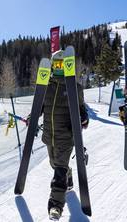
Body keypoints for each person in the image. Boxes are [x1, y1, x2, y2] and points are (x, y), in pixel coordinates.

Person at [40, 50, 89, 219]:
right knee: (55, 165)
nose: (59, 68)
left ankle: (56, 206)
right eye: (57, 65)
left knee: (58, 171)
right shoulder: (46, 86)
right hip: (49, 135)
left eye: (63, 65)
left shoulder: (75, 88)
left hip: (66, 137)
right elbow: (39, 108)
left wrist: (84, 118)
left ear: (69, 66)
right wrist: (32, 118)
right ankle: (68, 178)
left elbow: (82, 109)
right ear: (53, 66)